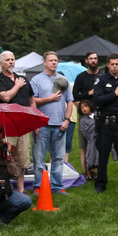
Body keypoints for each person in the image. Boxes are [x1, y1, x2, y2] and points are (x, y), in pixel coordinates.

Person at [29, 52, 73, 193]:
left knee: (59, 158)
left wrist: (67, 119)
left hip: (60, 125)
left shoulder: (63, 80)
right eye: (51, 60)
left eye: (56, 60)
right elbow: (32, 101)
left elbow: (70, 101)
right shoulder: (36, 80)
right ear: (45, 62)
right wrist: (49, 99)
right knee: (39, 158)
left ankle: (56, 186)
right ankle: (39, 186)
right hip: (42, 125)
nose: (54, 63)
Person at [92, 54, 118, 192]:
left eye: (117, 64)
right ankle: (100, 184)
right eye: (112, 64)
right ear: (108, 65)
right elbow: (97, 100)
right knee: (103, 155)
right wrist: (114, 94)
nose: (115, 66)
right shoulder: (102, 80)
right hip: (106, 123)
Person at [0, 50, 33, 170]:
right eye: (7, 60)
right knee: (7, 157)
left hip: (23, 124)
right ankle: (7, 187)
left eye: (12, 59)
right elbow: (5, 97)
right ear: (1, 63)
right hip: (6, 126)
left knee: (23, 159)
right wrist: (17, 86)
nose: (11, 62)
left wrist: (35, 121)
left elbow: (31, 100)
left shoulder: (23, 78)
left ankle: (21, 188)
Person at [72, 51, 101, 182]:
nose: (93, 60)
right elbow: (74, 96)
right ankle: (85, 171)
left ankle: (96, 170)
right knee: (85, 145)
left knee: (98, 144)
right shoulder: (81, 77)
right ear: (86, 61)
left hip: (99, 116)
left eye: (95, 58)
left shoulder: (103, 77)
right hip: (85, 117)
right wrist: (89, 93)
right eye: (91, 59)